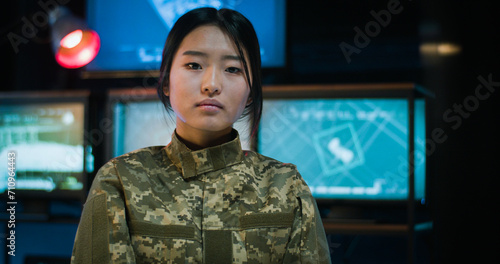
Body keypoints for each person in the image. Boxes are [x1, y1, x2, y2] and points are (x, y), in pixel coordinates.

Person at [71, 7, 331, 264]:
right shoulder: (120, 181)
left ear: (251, 91)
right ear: (165, 82)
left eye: (233, 69)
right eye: (194, 65)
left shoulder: (286, 186)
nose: (212, 84)